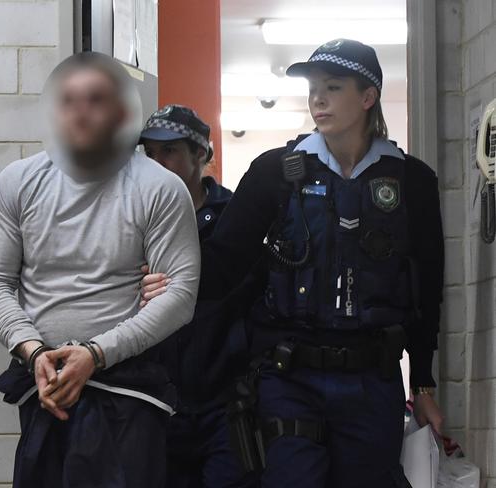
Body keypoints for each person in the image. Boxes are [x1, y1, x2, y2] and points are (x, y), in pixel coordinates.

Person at [140, 39, 444, 487]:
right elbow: (225, 264)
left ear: (367, 97)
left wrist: (422, 383)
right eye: (313, 88)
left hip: (372, 378)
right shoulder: (275, 171)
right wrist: (171, 283)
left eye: (333, 87)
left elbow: (427, 285)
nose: (318, 99)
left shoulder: (410, 180)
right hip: (290, 378)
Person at [0, 52, 201, 488]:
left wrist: (95, 354)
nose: (80, 112)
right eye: (69, 101)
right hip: (45, 383)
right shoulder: (18, 182)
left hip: (127, 392)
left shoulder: (159, 188)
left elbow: (179, 296)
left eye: (95, 100)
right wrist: (33, 351)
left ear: (121, 112)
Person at [139, 105, 259, 488]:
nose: (157, 162)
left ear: (201, 155)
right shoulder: (131, 218)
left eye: (170, 150)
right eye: (150, 153)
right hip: (156, 397)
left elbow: (250, 294)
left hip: (224, 398)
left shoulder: (236, 216)